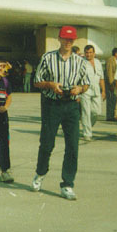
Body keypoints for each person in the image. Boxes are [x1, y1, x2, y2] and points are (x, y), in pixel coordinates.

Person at [31, 26, 91, 201]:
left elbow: (86, 83)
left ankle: (67, 184)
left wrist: (79, 89)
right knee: (47, 143)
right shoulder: (48, 58)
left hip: (71, 105)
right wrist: (50, 85)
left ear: (74, 41)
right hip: (52, 104)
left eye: (70, 40)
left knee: (72, 146)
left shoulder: (80, 62)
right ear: (59, 39)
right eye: (65, 39)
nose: (67, 42)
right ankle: (40, 173)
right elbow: (36, 81)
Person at [79, 44, 105, 141]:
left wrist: (104, 91)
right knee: (86, 112)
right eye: (87, 52)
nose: (88, 54)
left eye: (90, 52)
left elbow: (101, 78)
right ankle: (87, 133)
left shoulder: (98, 62)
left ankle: (87, 125)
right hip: (85, 90)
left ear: (94, 53)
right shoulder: (81, 63)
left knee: (96, 112)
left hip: (96, 90)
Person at [105, 48, 117, 121]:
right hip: (110, 83)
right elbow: (109, 72)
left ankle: (113, 115)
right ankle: (110, 116)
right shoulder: (110, 60)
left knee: (113, 99)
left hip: (114, 83)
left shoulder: (115, 60)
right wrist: (111, 84)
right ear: (116, 53)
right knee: (111, 99)